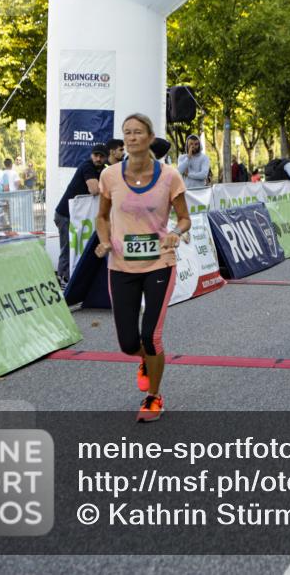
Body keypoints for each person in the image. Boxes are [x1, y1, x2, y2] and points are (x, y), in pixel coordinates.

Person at [94, 113, 190, 422]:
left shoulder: (170, 176)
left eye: (138, 132)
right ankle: (146, 360)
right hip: (121, 266)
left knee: (151, 336)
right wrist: (104, 241)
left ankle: (154, 396)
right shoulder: (109, 176)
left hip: (160, 262)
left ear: (150, 138)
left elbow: (184, 218)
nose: (132, 137)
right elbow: (102, 216)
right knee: (127, 343)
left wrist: (175, 232)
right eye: (127, 133)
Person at [53, 144, 106, 285]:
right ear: (91, 155)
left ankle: (72, 279)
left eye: (101, 156)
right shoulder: (87, 166)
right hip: (65, 214)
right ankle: (63, 280)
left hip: (77, 216)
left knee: (77, 248)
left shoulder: (103, 170)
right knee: (68, 248)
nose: (98, 159)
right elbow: (94, 189)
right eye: (96, 155)